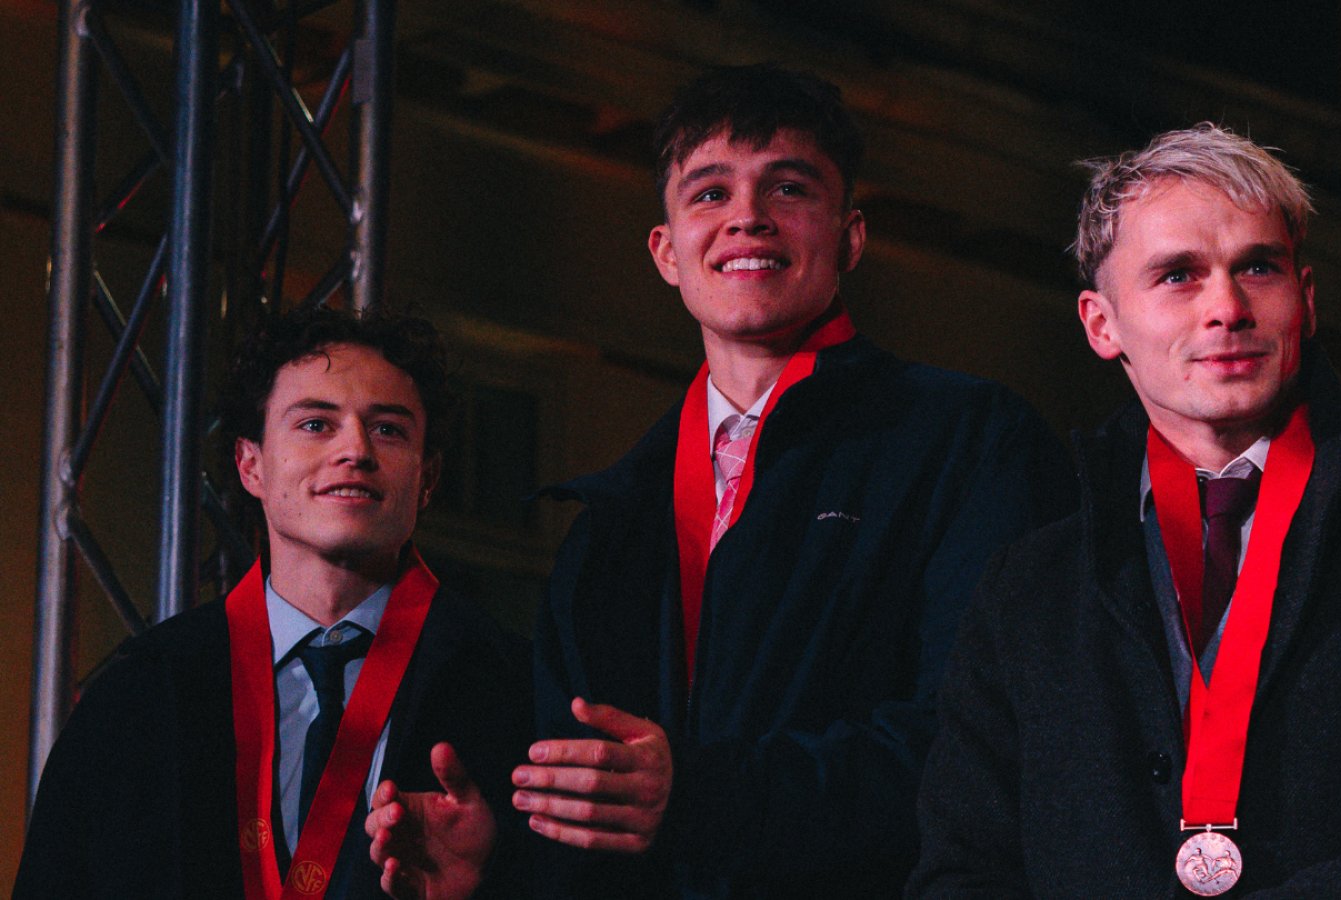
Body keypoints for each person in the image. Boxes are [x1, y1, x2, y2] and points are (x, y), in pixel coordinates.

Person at [366, 64, 1073, 898]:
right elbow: (594, 823)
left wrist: (703, 797)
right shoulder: (609, 519)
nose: (747, 216)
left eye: (789, 188)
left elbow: (988, 743)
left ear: (850, 237)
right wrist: (499, 866)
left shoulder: (968, 441)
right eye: (709, 193)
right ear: (666, 252)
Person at [907, 123, 1341, 897]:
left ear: (1307, 300)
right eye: (1178, 276)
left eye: (1258, 267)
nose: (1227, 307)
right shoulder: (1028, 589)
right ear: (1101, 324)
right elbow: (963, 869)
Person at [14, 305, 532, 900]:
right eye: (315, 424)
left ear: (428, 478)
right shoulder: (142, 694)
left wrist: (487, 884)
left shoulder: (514, 691)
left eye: (388, 429)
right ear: (250, 465)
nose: (356, 449)